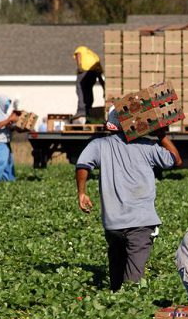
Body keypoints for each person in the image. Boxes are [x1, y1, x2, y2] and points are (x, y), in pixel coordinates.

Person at [75, 107, 182, 291]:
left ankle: (115, 298)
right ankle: (128, 307)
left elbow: (82, 165)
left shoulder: (99, 145)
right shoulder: (147, 146)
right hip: (141, 222)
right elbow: (176, 160)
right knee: (133, 278)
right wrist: (161, 135)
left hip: (113, 222)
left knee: (116, 270)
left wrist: (82, 193)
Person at [72, 46, 104, 124]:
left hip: (84, 71)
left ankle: (81, 111)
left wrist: (79, 67)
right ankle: (88, 110)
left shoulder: (82, 48)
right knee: (88, 90)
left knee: (80, 89)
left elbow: (78, 54)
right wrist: (104, 88)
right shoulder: (95, 56)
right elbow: (99, 75)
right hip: (94, 73)